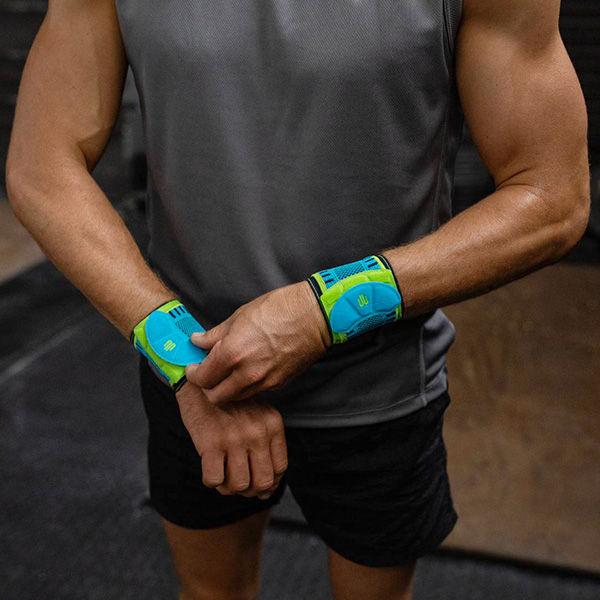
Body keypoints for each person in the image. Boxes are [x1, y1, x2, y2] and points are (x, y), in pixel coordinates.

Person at [6, 0, 589, 598]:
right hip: (194, 380)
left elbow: (552, 198)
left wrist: (321, 312)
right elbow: (41, 165)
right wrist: (185, 362)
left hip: (376, 390)